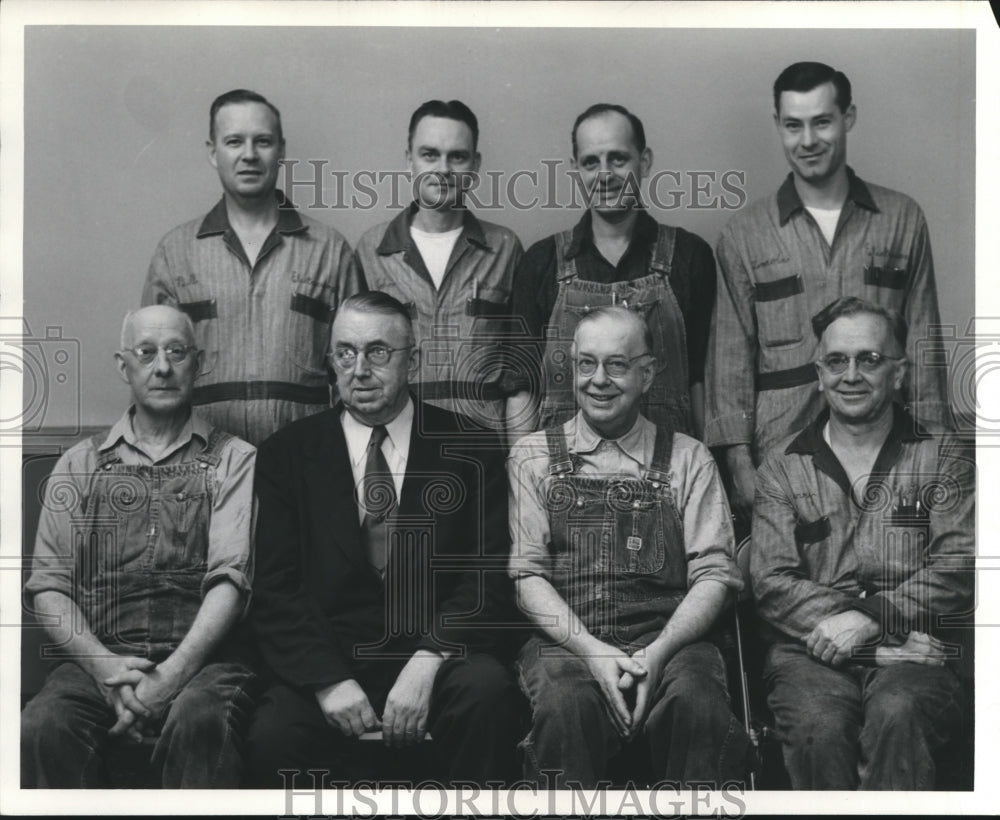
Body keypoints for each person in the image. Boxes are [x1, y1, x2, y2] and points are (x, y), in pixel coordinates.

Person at [246, 292, 523, 787]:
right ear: (330, 360)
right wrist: (327, 680)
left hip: (437, 657)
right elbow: (276, 587)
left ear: (412, 360)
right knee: (273, 733)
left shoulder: (470, 447)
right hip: (329, 658)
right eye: (345, 353)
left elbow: (488, 579)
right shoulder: (286, 455)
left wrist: (428, 661)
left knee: (489, 694)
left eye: (378, 352)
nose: (359, 369)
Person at [507, 306, 747, 788]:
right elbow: (527, 578)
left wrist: (657, 655)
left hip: (671, 638)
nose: (598, 380)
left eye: (616, 365)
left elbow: (715, 576)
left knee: (699, 707)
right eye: (586, 364)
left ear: (648, 373)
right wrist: (593, 652)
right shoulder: (532, 456)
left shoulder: (689, 457)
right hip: (568, 640)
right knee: (565, 707)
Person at [21, 305, 257, 788]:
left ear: (199, 361)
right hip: (98, 658)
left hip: (205, 665)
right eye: (146, 353)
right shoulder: (79, 464)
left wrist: (170, 677)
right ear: (122, 364)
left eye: (177, 352)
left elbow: (230, 581)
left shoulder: (233, 459)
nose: (163, 367)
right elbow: (49, 587)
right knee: (41, 727)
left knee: (201, 720)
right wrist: (106, 668)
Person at [706, 62, 951, 523]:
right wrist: (739, 465)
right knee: (789, 588)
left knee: (891, 582)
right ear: (778, 126)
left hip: (889, 454)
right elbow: (729, 361)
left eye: (822, 121)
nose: (808, 140)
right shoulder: (744, 234)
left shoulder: (902, 220)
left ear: (848, 117)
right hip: (781, 457)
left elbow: (924, 347)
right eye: (793, 125)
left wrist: (933, 454)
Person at [750, 296, 973, 790]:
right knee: (817, 727)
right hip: (811, 656)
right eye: (836, 360)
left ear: (898, 372)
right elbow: (770, 582)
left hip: (921, 655)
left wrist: (868, 619)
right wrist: (879, 638)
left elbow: (958, 565)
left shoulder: (945, 457)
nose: (851, 374)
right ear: (819, 372)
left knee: (898, 712)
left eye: (869, 359)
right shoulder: (781, 470)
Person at [143, 89, 361, 446]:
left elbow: (356, 371)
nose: (249, 155)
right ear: (213, 152)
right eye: (234, 142)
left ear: (281, 150)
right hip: (202, 462)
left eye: (262, 141)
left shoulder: (330, 250)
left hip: (305, 461)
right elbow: (151, 372)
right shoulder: (175, 252)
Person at [507, 103, 716, 442]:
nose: (605, 174)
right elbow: (521, 389)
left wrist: (708, 467)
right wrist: (519, 476)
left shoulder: (690, 257)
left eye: (618, 159)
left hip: (667, 472)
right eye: (591, 162)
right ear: (575, 169)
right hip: (562, 478)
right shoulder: (541, 262)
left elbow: (702, 382)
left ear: (644, 161)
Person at [354, 100, 523, 436]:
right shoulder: (372, 251)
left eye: (457, 157)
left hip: (482, 449)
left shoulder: (504, 248)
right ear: (409, 160)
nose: (443, 169)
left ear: (475, 165)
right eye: (430, 154)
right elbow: (353, 372)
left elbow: (520, 376)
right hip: (397, 445)